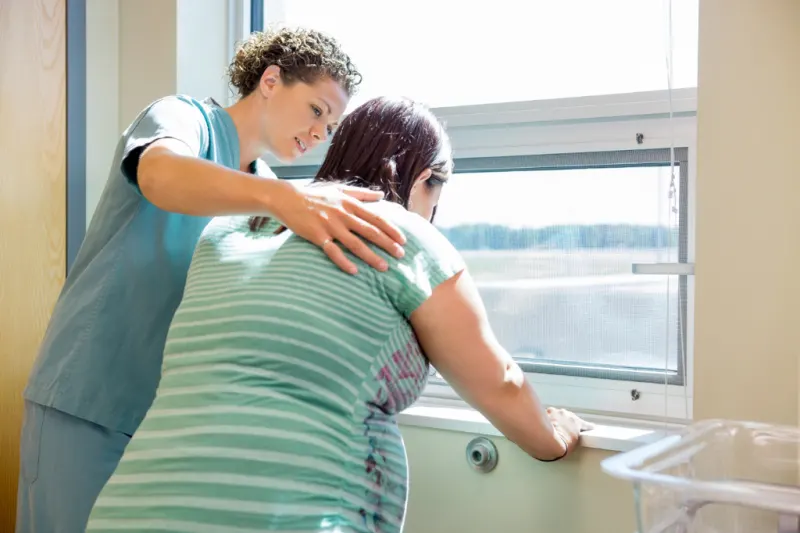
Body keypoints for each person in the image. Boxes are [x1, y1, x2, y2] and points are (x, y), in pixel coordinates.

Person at [85, 96, 593, 533]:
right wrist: (556, 438)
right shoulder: (401, 234)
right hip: (285, 517)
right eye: (439, 192)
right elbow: (499, 382)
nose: (436, 212)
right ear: (424, 179)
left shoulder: (231, 229)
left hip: (130, 509)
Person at [16, 27, 408, 533]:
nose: (319, 134)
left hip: (169, 426)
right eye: (316, 110)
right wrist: (284, 200)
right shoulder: (184, 119)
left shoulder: (269, 191)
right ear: (271, 81)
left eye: (330, 127)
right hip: (89, 398)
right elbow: (160, 174)